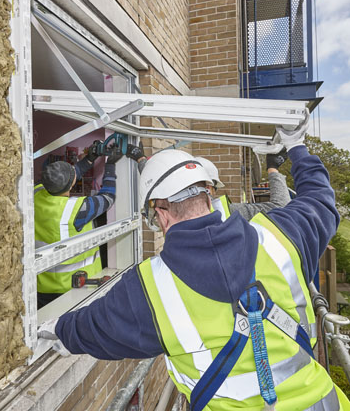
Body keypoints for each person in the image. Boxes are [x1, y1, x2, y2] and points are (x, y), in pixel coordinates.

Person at [38, 122, 349, 410]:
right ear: (208, 193)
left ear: (159, 216)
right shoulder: (282, 235)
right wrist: (297, 146)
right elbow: (320, 199)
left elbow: (91, 328)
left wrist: (58, 331)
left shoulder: (148, 291)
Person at [35, 141, 133, 309]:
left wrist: (90, 158)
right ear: (71, 184)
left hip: (43, 289)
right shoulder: (75, 210)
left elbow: (71, 175)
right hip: (73, 289)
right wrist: (110, 165)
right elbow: (108, 198)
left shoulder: (35, 194)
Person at [195, 151, 290, 221]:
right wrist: (272, 167)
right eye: (215, 188)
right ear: (208, 189)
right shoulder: (224, 212)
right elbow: (282, 208)